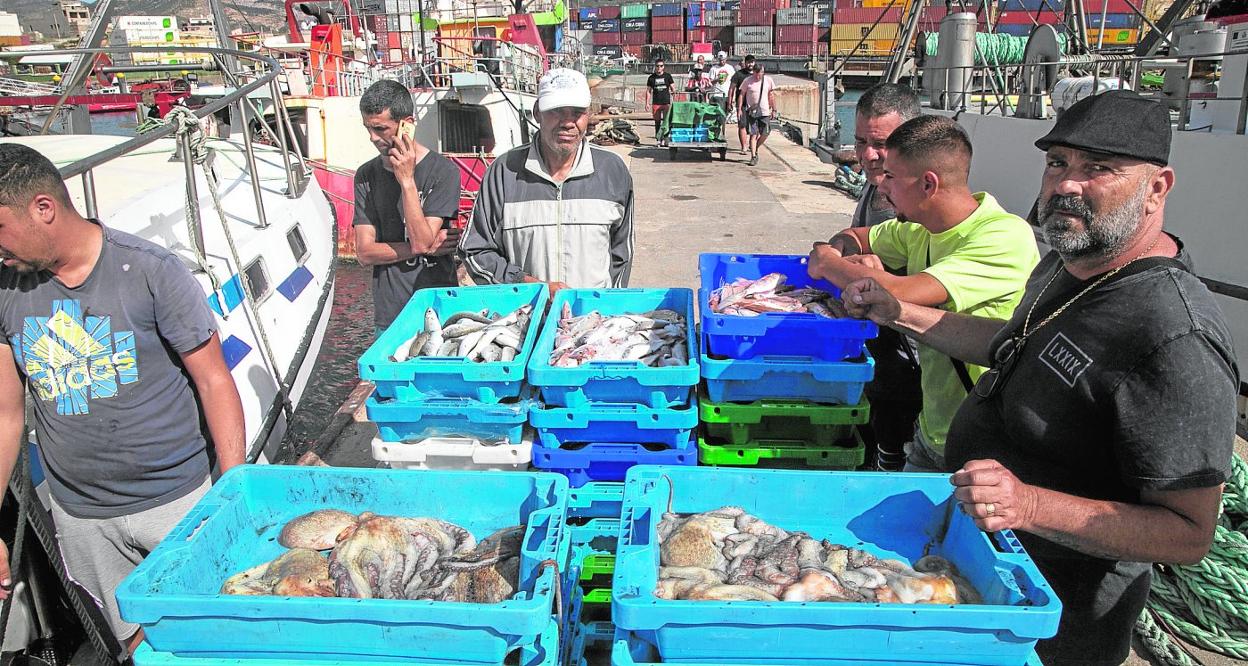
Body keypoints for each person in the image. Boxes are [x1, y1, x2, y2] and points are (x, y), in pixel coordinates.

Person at [841, 90, 1237, 665]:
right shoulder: (1065, 262)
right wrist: (898, 312)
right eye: (1058, 163)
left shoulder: (1175, 335)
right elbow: (1007, 344)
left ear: (1158, 187)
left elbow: (1188, 534)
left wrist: (1027, 505)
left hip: (1058, 620)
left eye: (1099, 168)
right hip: (981, 567)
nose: (1067, 185)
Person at [0, 144, 245, 653]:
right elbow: (5, 413)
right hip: (80, 517)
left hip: (176, 502)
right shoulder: (6, 290)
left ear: (43, 208)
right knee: (129, 640)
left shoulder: (151, 271)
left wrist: (233, 487)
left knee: (207, 634)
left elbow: (215, 381)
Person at [807, 115, 1039, 473]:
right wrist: (841, 252)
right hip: (932, 431)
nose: (881, 186)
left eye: (892, 177)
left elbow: (898, 295)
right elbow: (860, 236)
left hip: (984, 450)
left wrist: (825, 263)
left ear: (928, 184)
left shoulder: (1004, 237)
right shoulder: (919, 227)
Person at [459, 68, 634, 297]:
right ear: (537, 113)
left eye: (577, 112)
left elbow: (622, 254)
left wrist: (607, 306)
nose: (568, 122)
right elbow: (475, 249)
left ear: (588, 115)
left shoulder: (613, 171)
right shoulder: (503, 172)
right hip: (527, 319)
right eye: (556, 111)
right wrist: (529, 286)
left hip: (592, 323)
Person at [848, 83, 923, 471]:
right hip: (876, 358)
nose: (867, 155)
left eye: (882, 144)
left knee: (896, 459)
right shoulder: (875, 186)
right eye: (861, 141)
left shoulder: (920, 203)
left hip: (914, 365)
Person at [354, 79, 462, 333]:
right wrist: (424, 249)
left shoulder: (444, 172)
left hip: (438, 311)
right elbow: (364, 253)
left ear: (407, 125)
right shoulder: (366, 175)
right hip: (390, 316)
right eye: (368, 128)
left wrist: (406, 180)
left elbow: (421, 241)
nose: (372, 138)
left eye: (380, 129)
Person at [740, 61, 776, 166]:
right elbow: (742, 94)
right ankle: (753, 156)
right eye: (758, 73)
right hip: (752, 112)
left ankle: (755, 148)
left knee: (765, 133)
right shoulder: (748, 81)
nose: (760, 75)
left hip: (765, 112)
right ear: (754, 72)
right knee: (753, 135)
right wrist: (739, 109)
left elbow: (771, 95)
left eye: (762, 73)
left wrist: (774, 109)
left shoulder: (768, 81)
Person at [727, 54, 755, 153]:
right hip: (742, 104)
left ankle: (753, 145)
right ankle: (744, 147)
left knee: (754, 127)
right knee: (742, 125)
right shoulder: (738, 74)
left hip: (754, 105)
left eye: (752, 62)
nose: (750, 64)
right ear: (745, 63)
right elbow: (731, 89)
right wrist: (729, 102)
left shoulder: (757, 74)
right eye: (748, 62)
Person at [646, 59, 676, 146]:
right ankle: (659, 139)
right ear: (655, 66)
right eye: (657, 66)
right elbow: (648, 91)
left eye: (661, 66)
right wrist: (647, 103)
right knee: (657, 121)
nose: (659, 68)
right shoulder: (651, 78)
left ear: (664, 67)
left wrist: (674, 98)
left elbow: (673, 89)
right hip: (656, 102)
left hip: (666, 102)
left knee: (666, 121)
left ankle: (666, 138)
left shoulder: (668, 76)